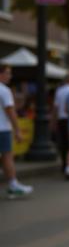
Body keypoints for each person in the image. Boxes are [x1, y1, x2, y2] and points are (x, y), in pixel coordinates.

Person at [0, 64, 33, 197]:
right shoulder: (4, 90)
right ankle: (13, 184)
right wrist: (17, 130)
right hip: (2, 129)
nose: (10, 76)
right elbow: (10, 111)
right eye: (8, 73)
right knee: (7, 156)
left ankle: (13, 184)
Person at [52, 71, 69, 174]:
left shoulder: (59, 91)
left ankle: (65, 164)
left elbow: (56, 107)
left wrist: (54, 120)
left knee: (64, 144)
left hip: (61, 119)